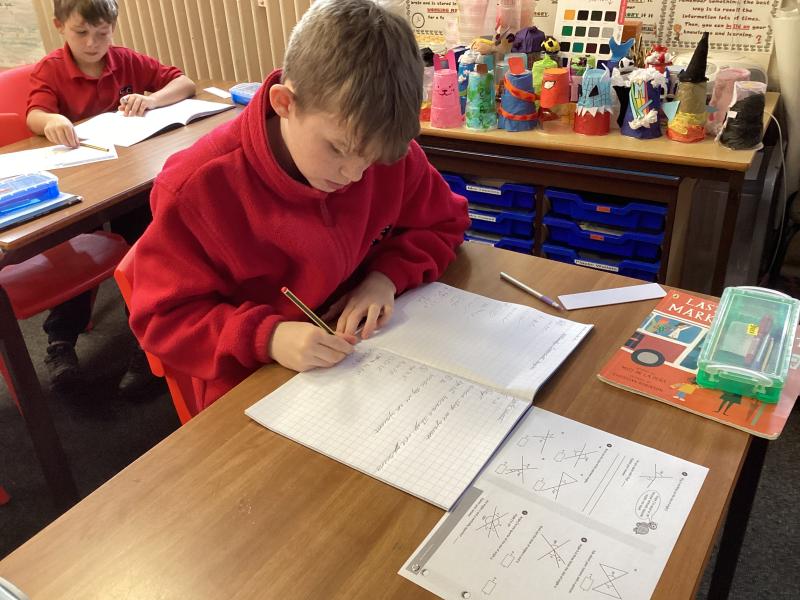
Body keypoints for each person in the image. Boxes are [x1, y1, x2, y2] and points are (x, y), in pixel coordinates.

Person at [126, 0, 470, 414]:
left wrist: (386, 278)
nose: (354, 174)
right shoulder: (198, 188)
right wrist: (266, 337)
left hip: (358, 365)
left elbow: (444, 222)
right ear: (284, 104)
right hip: (252, 385)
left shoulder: (383, 150)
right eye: (338, 149)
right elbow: (162, 319)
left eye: (371, 160)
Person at [26, 0, 196, 394]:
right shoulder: (51, 69)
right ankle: (60, 339)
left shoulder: (125, 60)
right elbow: (34, 114)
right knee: (74, 254)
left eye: (102, 33)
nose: (92, 43)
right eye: (81, 33)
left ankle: (146, 339)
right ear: (59, 26)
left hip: (126, 180)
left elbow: (183, 83)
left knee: (147, 242)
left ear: (113, 29)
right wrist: (52, 120)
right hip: (78, 187)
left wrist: (152, 99)